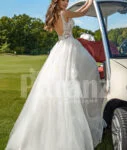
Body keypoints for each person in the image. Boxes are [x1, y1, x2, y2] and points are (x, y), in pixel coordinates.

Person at [5, 0, 105, 149]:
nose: (66, 3)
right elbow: (82, 13)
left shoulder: (56, 14)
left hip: (61, 47)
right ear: (57, 1)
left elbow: (79, 12)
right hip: (69, 47)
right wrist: (90, 2)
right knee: (84, 71)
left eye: (67, 1)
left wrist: (87, 3)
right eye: (64, 0)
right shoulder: (64, 13)